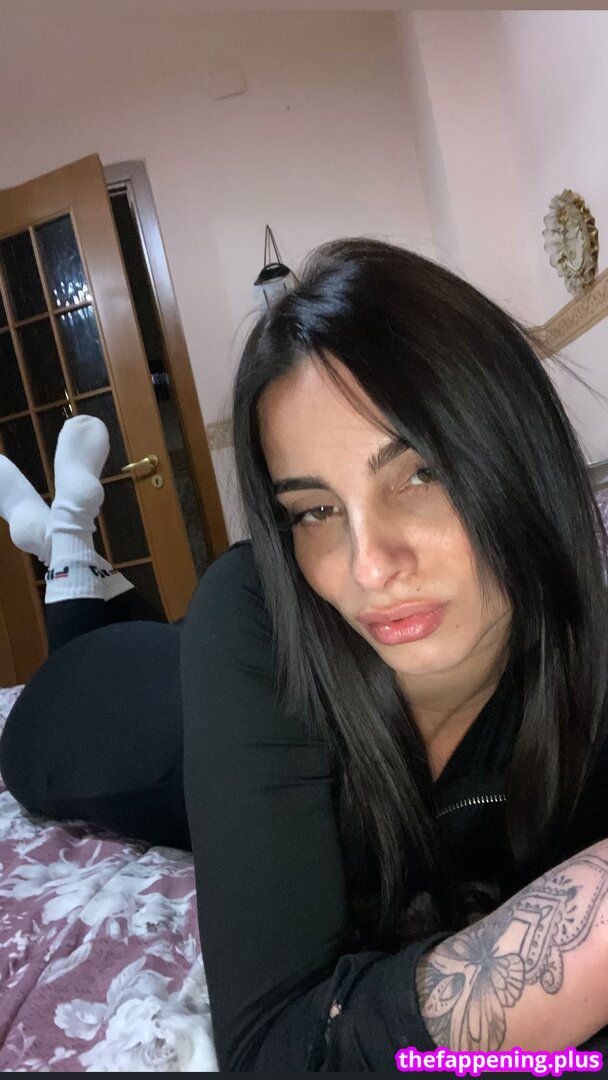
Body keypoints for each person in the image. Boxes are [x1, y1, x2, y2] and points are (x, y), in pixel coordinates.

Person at [2, 238, 608, 1072]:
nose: (370, 568)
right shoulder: (258, 604)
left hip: (223, 677)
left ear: (522, 456)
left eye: (422, 474)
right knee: (50, 706)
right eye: (315, 511)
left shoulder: (584, 671)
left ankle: (69, 545)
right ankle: (69, 546)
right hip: (119, 711)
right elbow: (276, 1051)